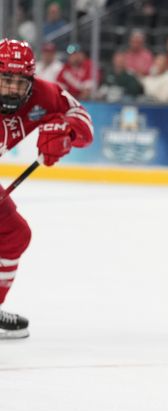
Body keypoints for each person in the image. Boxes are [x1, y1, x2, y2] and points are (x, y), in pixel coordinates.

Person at [0, 39, 94, 338]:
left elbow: (83, 122)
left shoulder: (44, 94)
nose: (14, 89)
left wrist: (66, 130)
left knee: (14, 235)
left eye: (20, 81)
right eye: (6, 80)